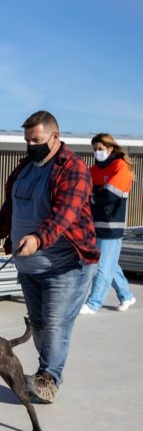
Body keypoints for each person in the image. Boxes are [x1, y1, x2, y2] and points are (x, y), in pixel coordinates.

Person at [0, 110, 98, 404]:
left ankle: (48, 379)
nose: (31, 146)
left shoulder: (73, 169)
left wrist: (38, 238)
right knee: (38, 323)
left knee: (55, 322)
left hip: (65, 267)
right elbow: (11, 207)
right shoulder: (25, 167)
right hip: (29, 265)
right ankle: (46, 371)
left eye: (37, 140)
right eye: (27, 140)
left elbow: (64, 215)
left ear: (55, 137)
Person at [79, 133, 136, 315]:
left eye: (100, 149)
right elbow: (84, 191)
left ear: (111, 148)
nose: (97, 152)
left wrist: (91, 196)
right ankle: (126, 296)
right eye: (95, 149)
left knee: (101, 266)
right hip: (95, 226)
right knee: (110, 265)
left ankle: (93, 303)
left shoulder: (121, 167)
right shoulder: (93, 170)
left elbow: (110, 196)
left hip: (111, 228)